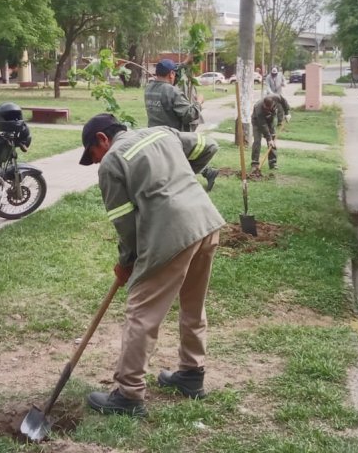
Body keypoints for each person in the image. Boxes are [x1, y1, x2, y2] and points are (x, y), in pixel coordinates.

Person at [80, 113, 225, 417]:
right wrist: (181, 182)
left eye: (93, 155)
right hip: (207, 223)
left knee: (141, 312)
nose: (96, 162)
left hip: (171, 234)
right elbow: (208, 145)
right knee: (193, 304)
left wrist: (126, 263)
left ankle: (128, 395)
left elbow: (125, 225)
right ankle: (191, 374)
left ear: (102, 140)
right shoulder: (162, 133)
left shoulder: (112, 161)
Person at [144, 59, 220, 191]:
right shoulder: (172, 92)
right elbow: (189, 115)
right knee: (199, 151)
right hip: (172, 137)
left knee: (172, 163)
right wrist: (199, 102)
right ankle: (195, 178)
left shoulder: (149, 89)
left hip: (154, 135)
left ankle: (208, 173)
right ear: (171, 74)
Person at [251, 93, 291, 171]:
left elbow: (284, 101)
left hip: (270, 120)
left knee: (273, 139)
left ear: (273, 103)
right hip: (257, 122)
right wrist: (269, 139)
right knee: (257, 141)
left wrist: (287, 113)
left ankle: (273, 163)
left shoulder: (276, 97)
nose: (267, 110)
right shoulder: (258, 108)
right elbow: (263, 125)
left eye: (269, 108)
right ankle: (255, 163)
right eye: (266, 109)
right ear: (264, 105)